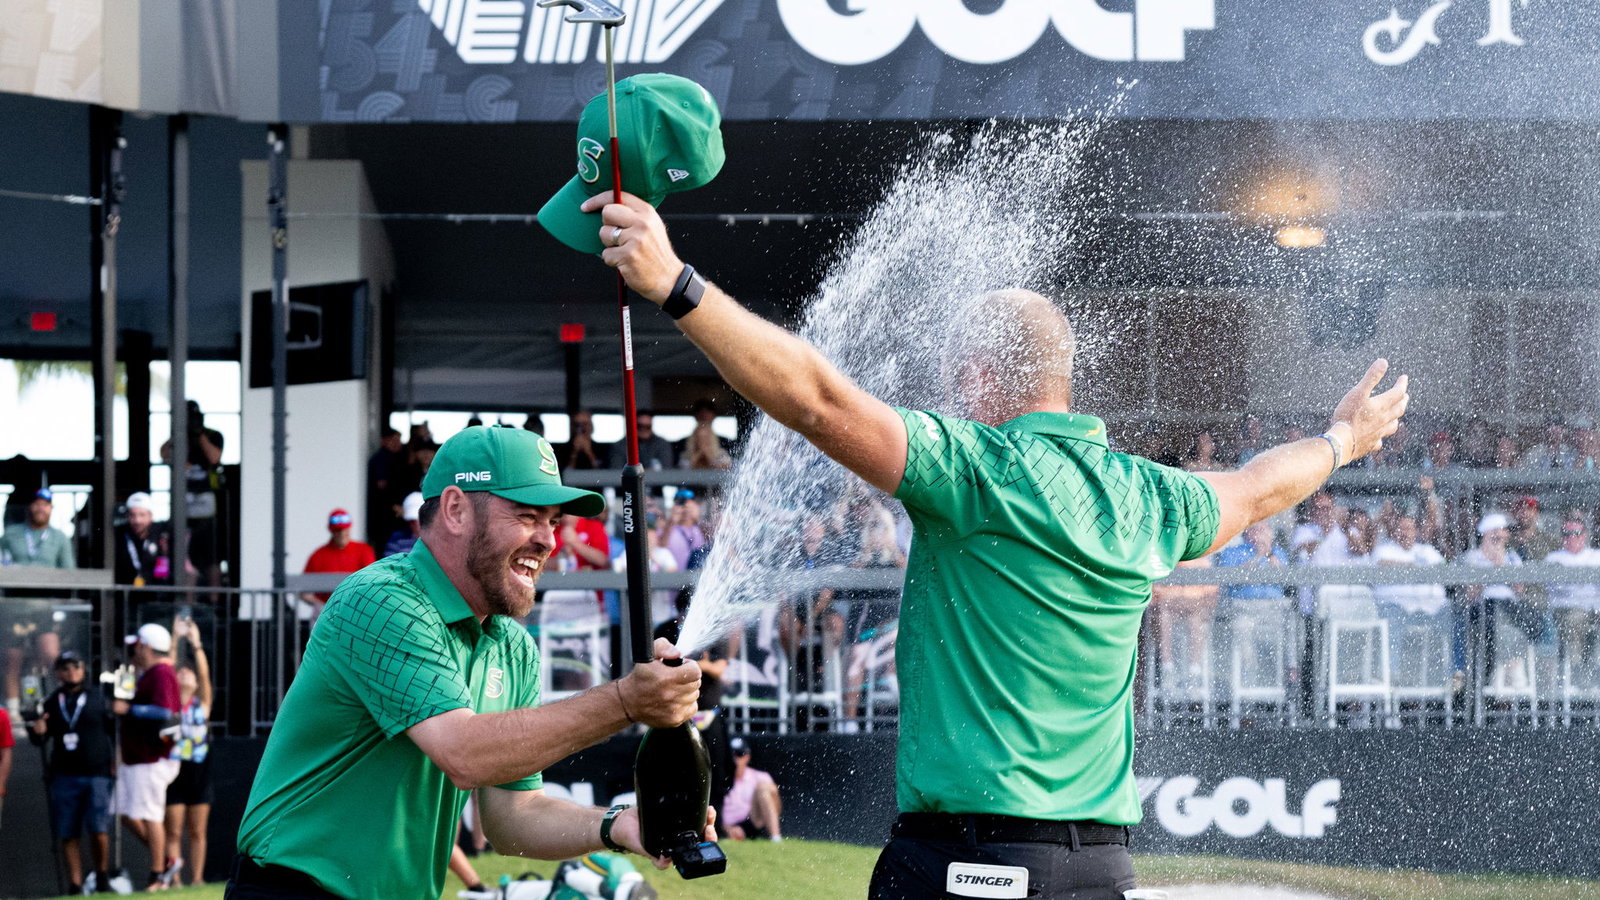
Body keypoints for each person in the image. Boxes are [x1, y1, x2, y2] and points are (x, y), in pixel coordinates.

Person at [586, 189, 1406, 898]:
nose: (948, 397)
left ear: (979, 378)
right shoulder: (1152, 494)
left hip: (964, 868)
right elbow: (1261, 484)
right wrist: (1342, 439)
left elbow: (815, 400)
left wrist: (674, 285)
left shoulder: (974, 468)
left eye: (954, 380)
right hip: (1101, 872)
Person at [229, 425, 706, 900]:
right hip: (289, 890)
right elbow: (464, 754)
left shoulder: (512, 647)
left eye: (553, 521)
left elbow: (511, 820)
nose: (549, 541)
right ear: (456, 509)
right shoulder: (381, 598)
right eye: (526, 515)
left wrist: (620, 825)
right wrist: (626, 701)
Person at [28, 650, 117, 893]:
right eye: (65, 668)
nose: (71, 672)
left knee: (99, 828)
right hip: (64, 775)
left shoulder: (99, 698)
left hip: (97, 773)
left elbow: (114, 731)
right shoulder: (51, 702)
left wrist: (115, 763)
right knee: (68, 831)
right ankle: (75, 885)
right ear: (58, 673)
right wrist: (38, 730)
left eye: (75, 667)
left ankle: (101, 876)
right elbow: (40, 741)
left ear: (83, 669)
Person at [115, 623, 183, 891]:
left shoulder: (162, 671)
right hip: (137, 757)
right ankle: (167, 860)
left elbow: (164, 712)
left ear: (146, 646)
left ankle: (158, 875)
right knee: (126, 813)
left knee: (151, 815)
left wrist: (129, 709)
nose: (134, 650)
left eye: (138, 645)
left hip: (152, 757)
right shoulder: (150, 673)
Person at [3, 487, 73, 722]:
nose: (40, 508)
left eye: (45, 504)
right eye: (36, 503)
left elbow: (69, 573)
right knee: (12, 659)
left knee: (50, 654)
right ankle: (13, 715)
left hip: (44, 607)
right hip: (15, 606)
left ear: (51, 508)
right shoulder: (11, 534)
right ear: (28, 507)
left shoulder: (59, 537)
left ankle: (56, 706)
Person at [164, 619, 213, 886]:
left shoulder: (201, 705)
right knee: (173, 831)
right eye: (180, 672)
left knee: (198, 831)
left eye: (188, 673)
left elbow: (205, 677)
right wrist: (174, 639)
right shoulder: (170, 703)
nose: (184, 674)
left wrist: (196, 644)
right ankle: (175, 881)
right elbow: (167, 672)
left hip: (198, 773)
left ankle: (197, 879)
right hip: (173, 772)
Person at [160, 401, 226, 592]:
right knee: (184, 560)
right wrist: (177, 434)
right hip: (184, 505)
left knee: (211, 558)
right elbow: (164, 455)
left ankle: (214, 604)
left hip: (206, 503)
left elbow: (215, 458)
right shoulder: (179, 437)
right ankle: (187, 606)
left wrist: (199, 434)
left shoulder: (212, 435)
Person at [1543, 518, 1600, 676]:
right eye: (1566, 534)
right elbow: (1555, 589)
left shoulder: (1596, 556)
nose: (1570, 538)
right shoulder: (1553, 559)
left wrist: (1573, 584)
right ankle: (1575, 671)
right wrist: (1583, 585)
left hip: (1594, 609)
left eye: (1575, 533)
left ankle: (1594, 670)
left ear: (1585, 535)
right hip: (1565, 610)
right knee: (1575, 619)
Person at [300, 509, 377, 614]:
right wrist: (321, 606)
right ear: (330, 530)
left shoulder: (364, 551)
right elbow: (304, 592)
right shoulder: (318, 555)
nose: (342, 533)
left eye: (345, 529)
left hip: (356, 609)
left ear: (350, 528)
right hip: (326, 612)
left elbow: (372, 583)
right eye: (338, 530)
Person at [722, 738, 782, 842]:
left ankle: (776, 837)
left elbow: (776, 803)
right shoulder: (720, 779)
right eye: (732, 755)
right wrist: (725, 828)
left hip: (752, 821)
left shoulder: (759, 777)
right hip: (725, 826)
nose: (735, 759)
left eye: (739, 754)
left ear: (747, 757)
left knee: (764, 789)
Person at [115, 492, 172, 588]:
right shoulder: (118, 535)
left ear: (150, 516)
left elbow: (163, 571)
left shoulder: (160, 535)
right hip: (125, 593)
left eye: (142, 515)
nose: (137, 521)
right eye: (132, 515)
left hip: (155, 594)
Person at [366, 426, 407, 548]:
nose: (397, 444)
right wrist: (394, 505)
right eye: (394, 440)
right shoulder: (381, 459)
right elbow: (382, 487)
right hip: (383, 513)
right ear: (383, 441)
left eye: (399, 440)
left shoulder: (398, 458)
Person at [384, 492, 425, 558]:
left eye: (416, 520)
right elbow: (389, 564)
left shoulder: (437, 539)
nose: (414, 524)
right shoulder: (397, 538)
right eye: (411, 521)